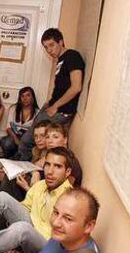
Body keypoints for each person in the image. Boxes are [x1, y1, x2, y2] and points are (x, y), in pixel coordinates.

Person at [14, 28, 85, 161]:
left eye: (51, 45)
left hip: (60, 111)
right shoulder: (60, 60)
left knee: (26, 142)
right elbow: (62, 87)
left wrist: (55, 106)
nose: (49, 50)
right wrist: (50, 103)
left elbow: (76, 87)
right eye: (46, 47)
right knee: (32, 139)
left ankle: (26, 174)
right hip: (52, 106)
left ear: (61, 41)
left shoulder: (72, 56)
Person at [0, 120, 50, 202]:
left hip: (33, 194)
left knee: (4, 184)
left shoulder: (51, 157)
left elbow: (38, 187)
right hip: (25, 186)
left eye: (42, 136)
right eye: (36, 136)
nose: (38, 139)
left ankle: (4, 204)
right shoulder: (35, 151)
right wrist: (4, 171)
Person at [0, 87, 39, 158]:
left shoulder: (37, 112)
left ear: (33, 97)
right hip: (14, 135)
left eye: (28, 95)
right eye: (22, 96)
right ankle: (9, 158)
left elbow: (36, 131)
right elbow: (8, 128)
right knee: (6, 142)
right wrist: (16, 140)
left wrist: (24, 141)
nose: (25, 98)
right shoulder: (13, 108)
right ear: (19, 98)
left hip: (28, 137)